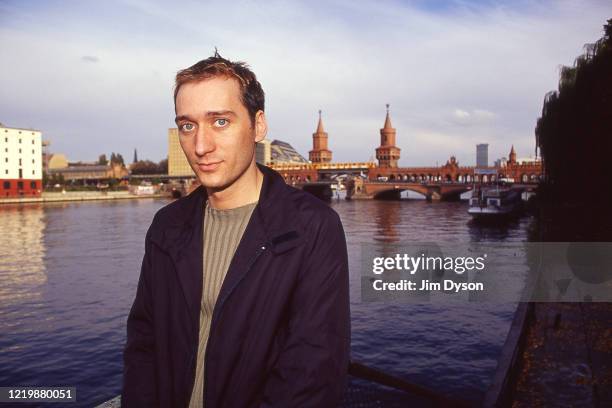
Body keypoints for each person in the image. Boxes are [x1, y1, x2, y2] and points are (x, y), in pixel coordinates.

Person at [121, 52, 351, 407]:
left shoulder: (312, 228)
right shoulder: (166, 227)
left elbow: (311, 373)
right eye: (187, 125)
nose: (200, 146)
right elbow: (143, 343)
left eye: (220, 122)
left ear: (258, 126)